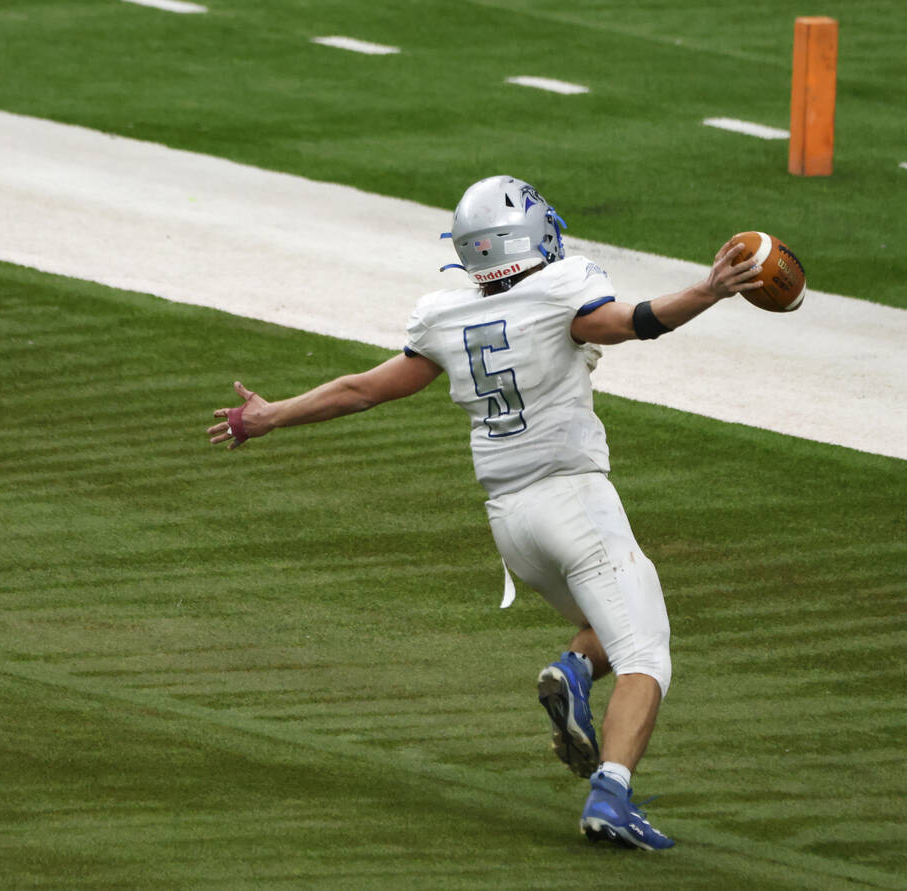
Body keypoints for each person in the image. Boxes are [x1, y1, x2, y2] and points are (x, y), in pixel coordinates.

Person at [207, 175, 763, 850]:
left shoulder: (447, 315)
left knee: (606, 627)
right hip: (573, 500)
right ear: (525, 236)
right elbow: (627, 322)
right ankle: (611, 792)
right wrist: (707, 292)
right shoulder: (564, 288)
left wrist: (269, 416)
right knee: (646, 648)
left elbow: (363, 390)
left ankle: (575, 671)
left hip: (512, 523)